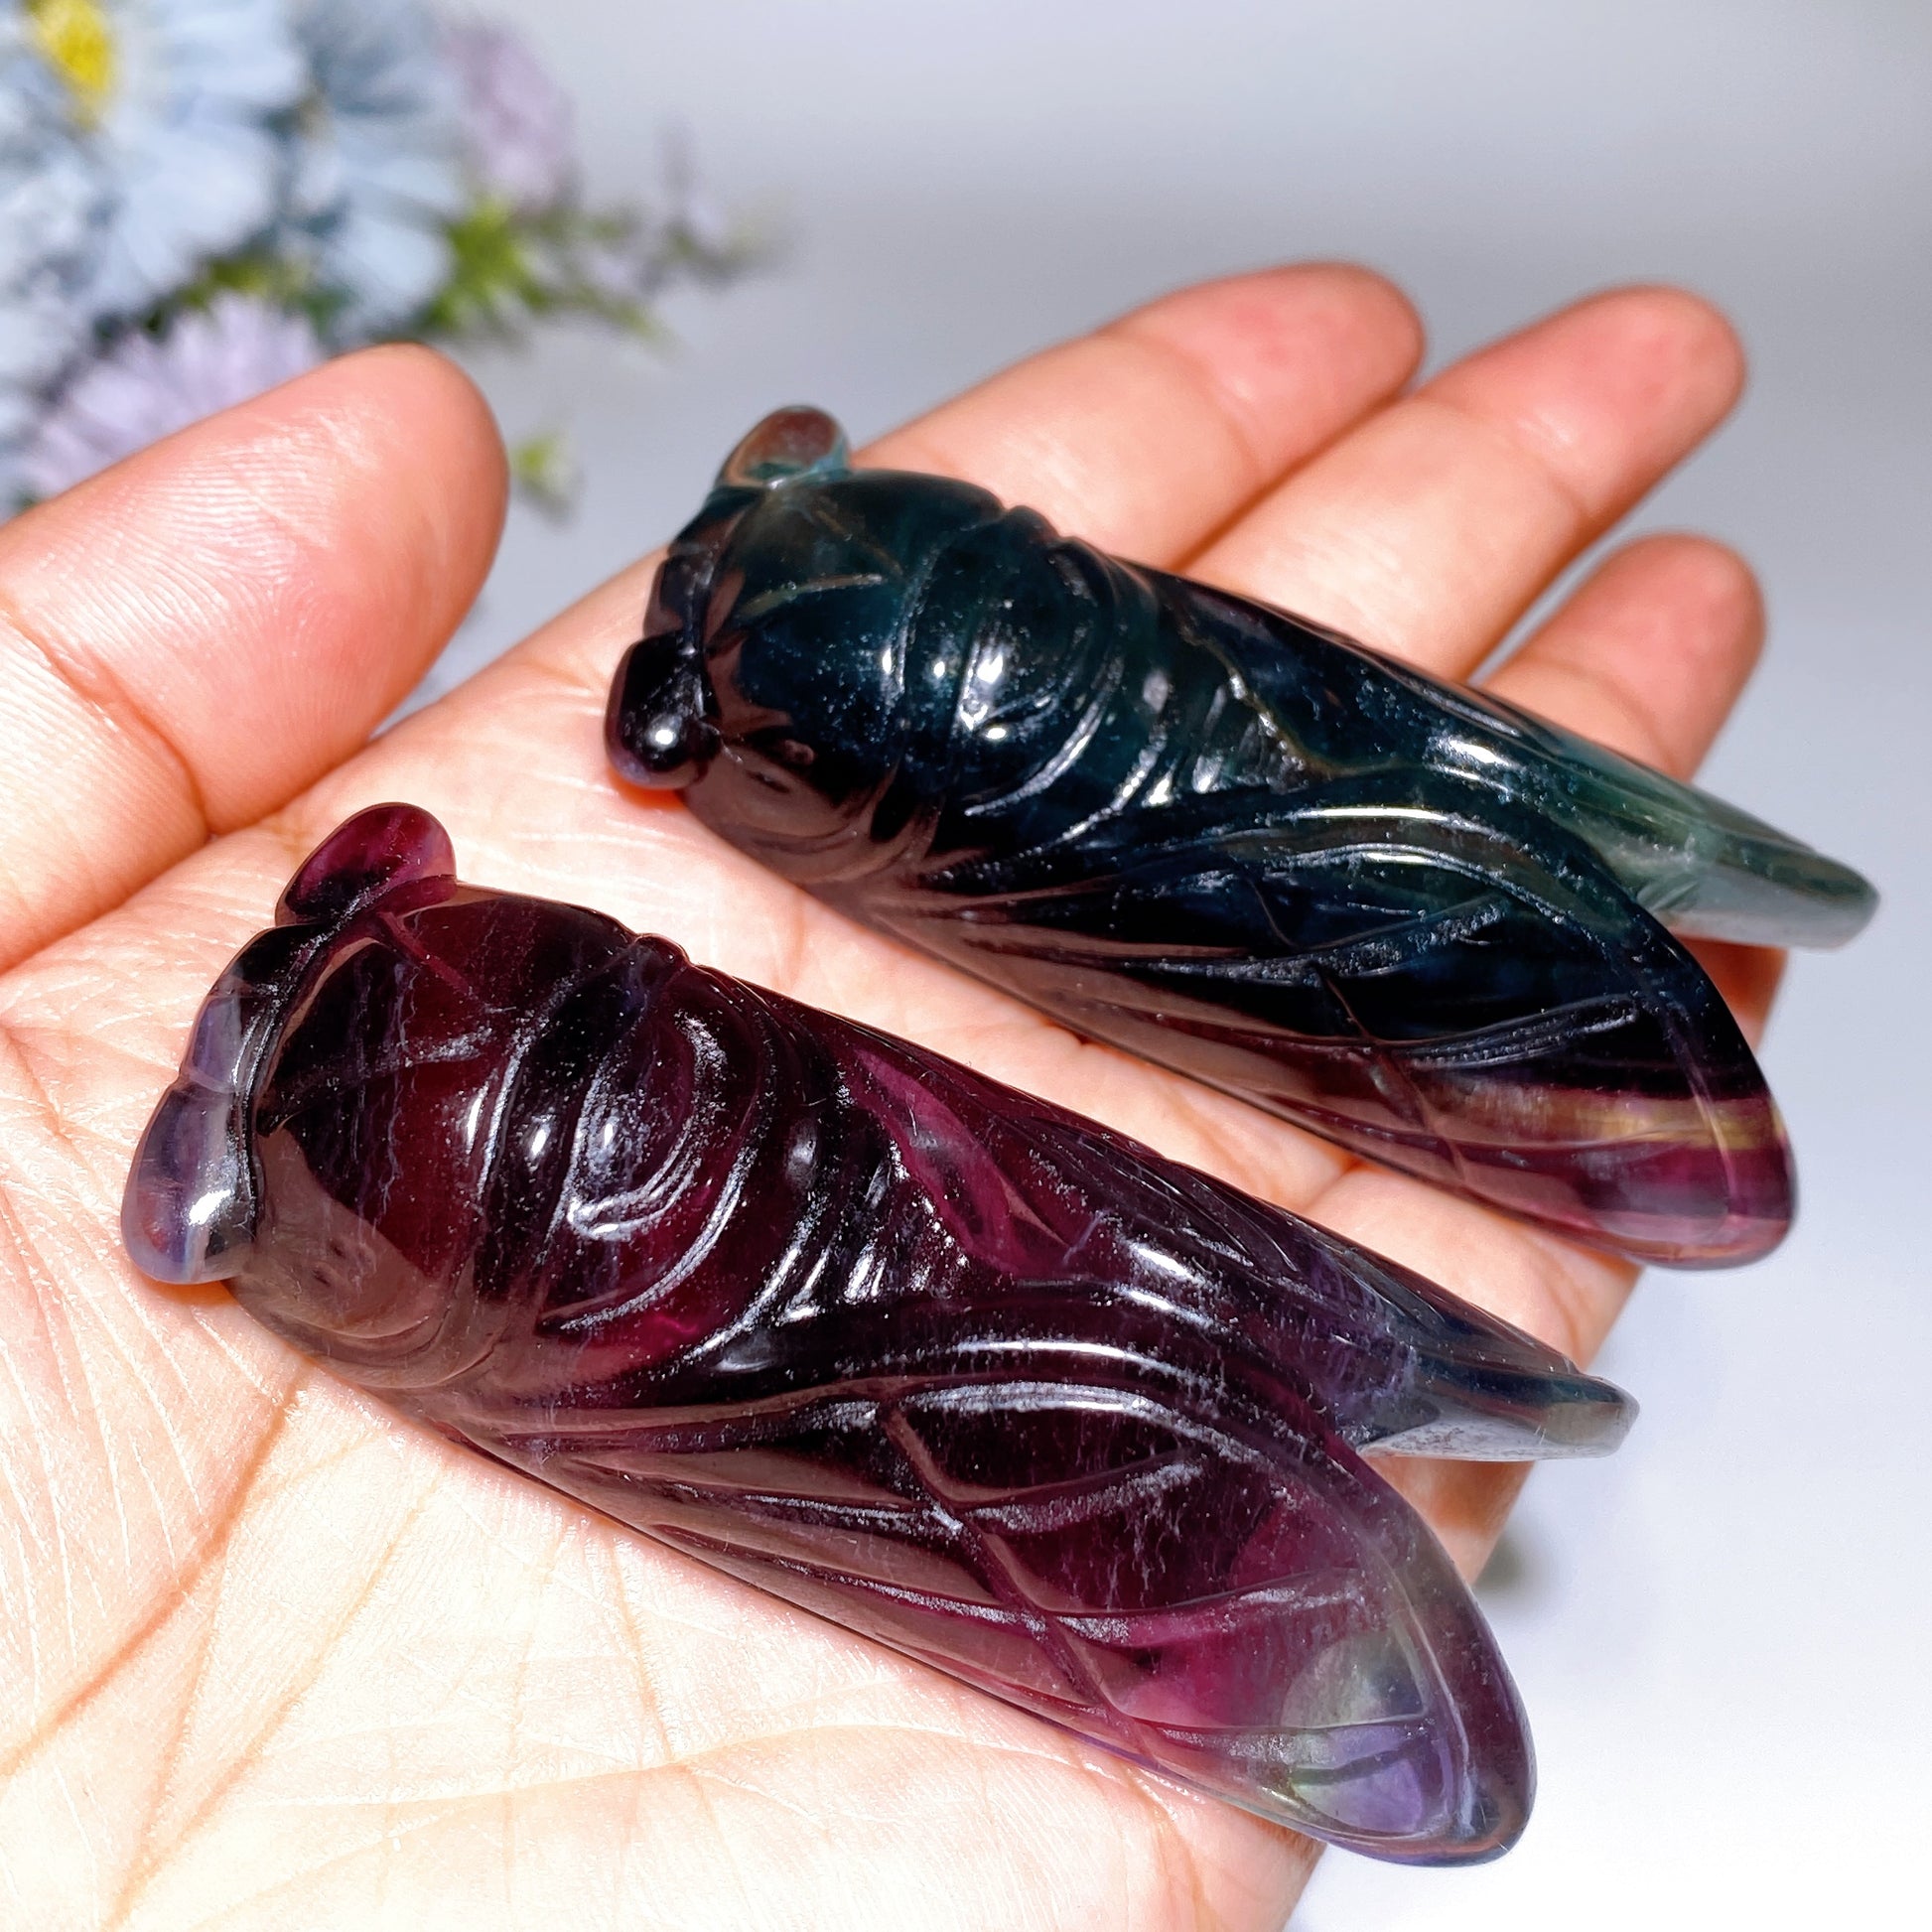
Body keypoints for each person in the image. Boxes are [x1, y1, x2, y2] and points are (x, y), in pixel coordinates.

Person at [0, 266, 1780, 1927]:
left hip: (763, 1291)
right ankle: (1409, 1327)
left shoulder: (376, 1204)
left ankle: (1417, 1309)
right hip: (858, 1293)